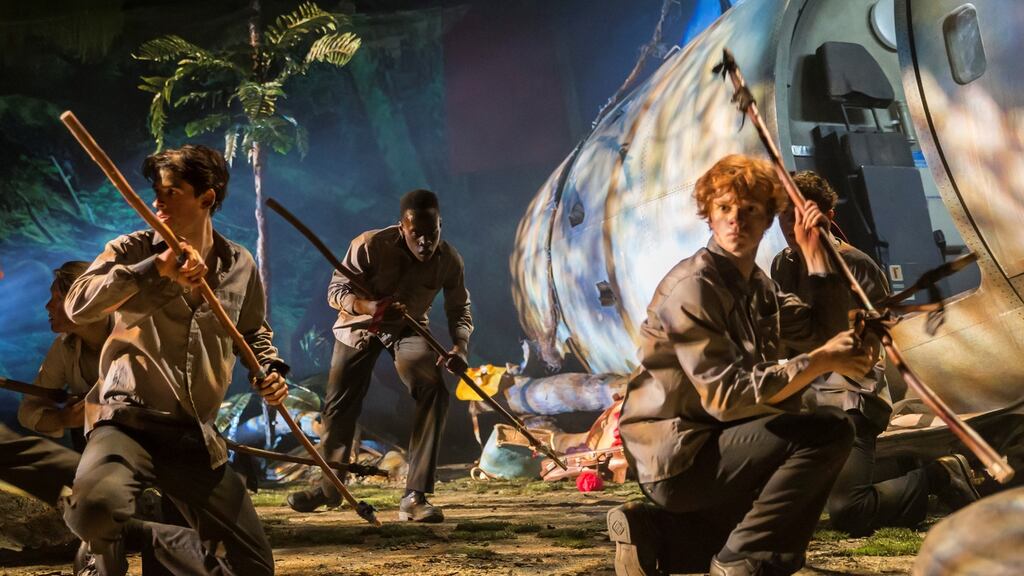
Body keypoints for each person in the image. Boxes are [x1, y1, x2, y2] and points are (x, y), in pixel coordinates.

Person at [608, 154, 875, 576]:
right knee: (827, 430)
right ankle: (742, 565)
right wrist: (819, 360)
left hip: (716, 443)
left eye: (750, 210)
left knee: (792, 447)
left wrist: (818, 257)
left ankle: (658, 535)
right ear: (709, 217)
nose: (736, 221)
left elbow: (820, 330)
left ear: (769, 219)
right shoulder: (694, 288)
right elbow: (725, 397)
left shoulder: (757, 286)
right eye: (724, 209)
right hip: (677, 456)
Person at [62, 144, 288, 576]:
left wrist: (270, 370)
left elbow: (253, 331)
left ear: (207, 197)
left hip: (193, 435)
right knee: (93, 509)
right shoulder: (130, 251)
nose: (157, 202)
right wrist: (154, 270)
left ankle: (134, 534)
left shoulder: (239, 263)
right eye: (156, 191)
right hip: (126, 422)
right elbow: (77, 307)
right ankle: (105, 536)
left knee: (254, 568)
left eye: (171, 191)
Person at [771, 171, 978, 536]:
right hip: (804, 395)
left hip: (850, 400)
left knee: (849, 511)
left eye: (802, 212)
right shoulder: (783, 265)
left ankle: (938, 474)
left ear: (828, 215)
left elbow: (868, 356)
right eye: (785, 213)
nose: (792, 223)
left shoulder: (856, 266)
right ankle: (892, 467)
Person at [287, 189, 472, 523]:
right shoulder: (369, 245)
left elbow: (460, 310)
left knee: (434, 390)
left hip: (408, 330)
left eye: (432, 235)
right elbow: (337, 291)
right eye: (417, 235)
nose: (425, 244)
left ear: (441, 226)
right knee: (339, 406)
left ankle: (415, 496)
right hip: (359, 328)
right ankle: (329, 488)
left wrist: (459, 347)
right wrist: (367, 306)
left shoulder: (449, 260)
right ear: (402, 228)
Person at [18, 261, 110, 451]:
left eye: (58, 298)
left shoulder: (136, 331)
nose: (48, 306)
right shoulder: (64, 346)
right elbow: (27, 410)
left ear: (87, 301)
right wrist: (64, 419)